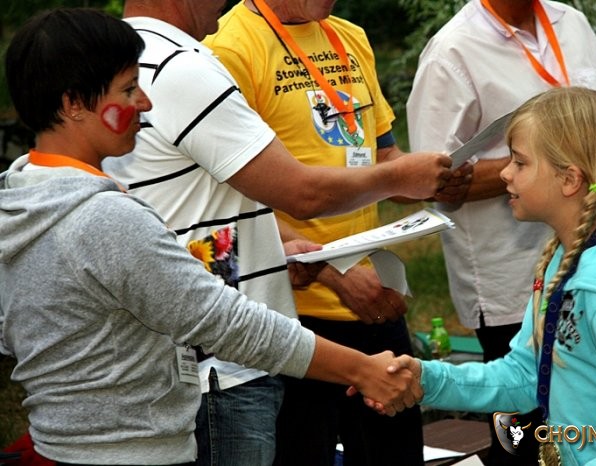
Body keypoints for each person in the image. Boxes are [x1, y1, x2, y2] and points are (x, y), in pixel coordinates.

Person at [0, 7, 422, 464]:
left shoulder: (21, 198)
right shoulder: (104, 218)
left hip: (65, 444)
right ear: (72, 104)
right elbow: (226, 323)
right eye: (128, 89)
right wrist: (363, 369)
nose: (145, 103)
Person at [101, 1, 457, 465]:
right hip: (230, 361)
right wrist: (390, 187)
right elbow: (297, 192)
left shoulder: (133, 59)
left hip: (236, 343)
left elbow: (206, 203)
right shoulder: (188, 63)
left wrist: (285, 248)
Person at [201, 2, 472, 465]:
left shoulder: (350, 35)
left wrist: (432, 179)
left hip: (372, 301)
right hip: (291, 316)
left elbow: (380, 161)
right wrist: (334, 273)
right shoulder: (227, 49)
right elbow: (229, 197)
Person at [389, 86, 596, 466]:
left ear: (569, 179)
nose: (504, 173)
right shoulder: (562, 261)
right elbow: (525, 376)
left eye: (520, 162)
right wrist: (427, 378)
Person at [406, 1, 596, 463]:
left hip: (595, 269)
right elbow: (431, 179)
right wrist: (548, 161)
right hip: (511, 285)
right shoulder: (452, 51)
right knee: (522, 441)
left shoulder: (572, 23)